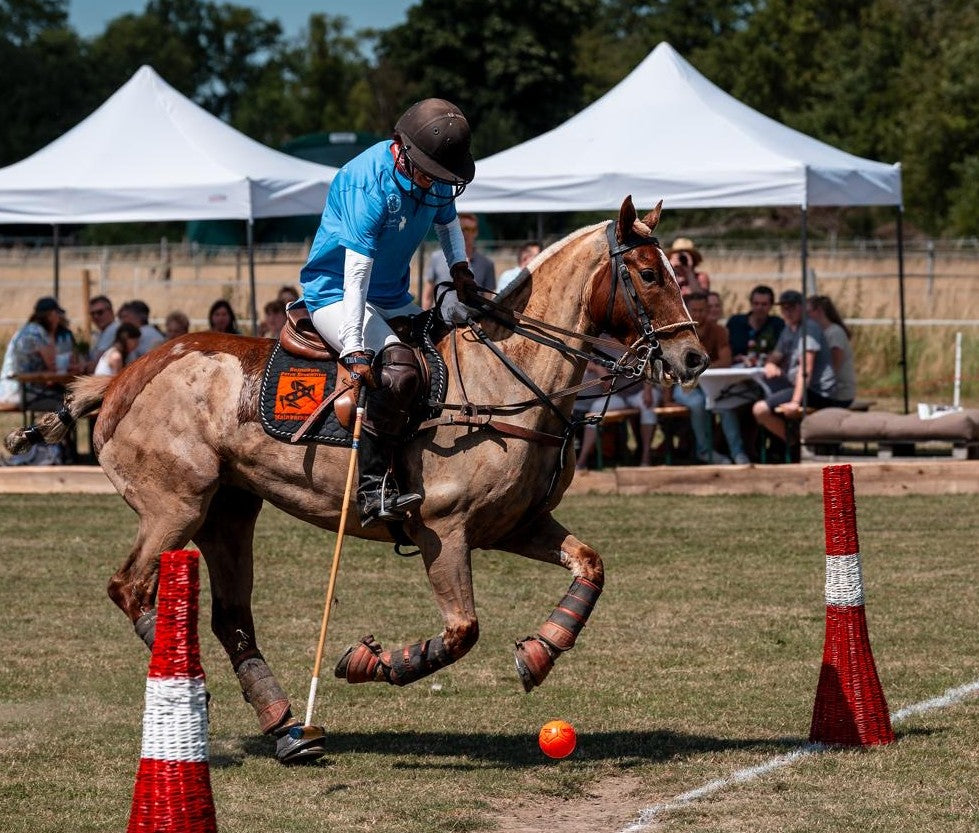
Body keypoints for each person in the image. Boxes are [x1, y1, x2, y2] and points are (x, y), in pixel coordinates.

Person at [299, 97, 477, 527]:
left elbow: (447, 224)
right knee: (398, 370)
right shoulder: (368, 182)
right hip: (334, 294)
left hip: (392, 294)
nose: (439, 184)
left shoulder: (430, 171)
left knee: (452, 346)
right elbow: (355, 272)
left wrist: (459, 271)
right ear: (405, 151)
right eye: (434, 175)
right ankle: (373, 489)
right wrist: (356, 347)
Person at [752, 289, 843, 443]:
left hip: (817, 392)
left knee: (760, 410)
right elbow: (776, 354)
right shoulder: (788, 328)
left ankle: (795, 443)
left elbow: (806, 369)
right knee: (754, 393)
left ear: (802, 308)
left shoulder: (809, 329)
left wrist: (795, 402)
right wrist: (770, 364)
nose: (787, 312)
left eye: (792, 307)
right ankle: (778, 447)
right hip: (796, 386)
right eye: (784, 308)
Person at [666, 291, 746, 464]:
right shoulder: (676, 332)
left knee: (725, 404)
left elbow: (726, 360)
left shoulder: (719, 331)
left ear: (708, 310)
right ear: (686, 309)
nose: (698, 314)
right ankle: (704, 450)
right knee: (697, 403)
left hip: (712, 384)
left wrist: (700, 370)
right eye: (694, 310)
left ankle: (737, 452)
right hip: (685, 385)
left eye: (702, 310)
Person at [574, 360, 658, 469]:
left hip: (640, 393)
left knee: (647, 406)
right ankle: (581, 461)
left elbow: (649, 364)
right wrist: (599, 368)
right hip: (618, 394)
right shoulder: (601, 345)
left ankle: (646, 457)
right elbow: (586, 360)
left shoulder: (636, 343)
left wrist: (648, 390)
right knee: (596, 408)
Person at [421, 212, 495, 309]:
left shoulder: (486, 263)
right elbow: (427, 296)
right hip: (441, 320)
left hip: (473, 321)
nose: (466, 233)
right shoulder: (437, 257)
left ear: (476, 232)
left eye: (471, 230)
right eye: (462, 229)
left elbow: (487, 302)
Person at [808, 295, 856, 406]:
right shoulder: (821, 332)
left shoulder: (834, 333)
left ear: (818, 311)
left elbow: (834, 367)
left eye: (808, 312)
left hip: (838, 394)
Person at [726, 285, 785, 366]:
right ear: (751, 303)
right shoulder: (735, 322)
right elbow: (724, 349)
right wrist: (734, 358)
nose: (759, 307)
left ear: (771, 305)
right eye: (756, 303)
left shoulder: (778, 324)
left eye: (764, 304)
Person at [86, 295, 119, 372]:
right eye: (92, 314)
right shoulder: (102, 332)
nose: (96, 316)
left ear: (111, 312)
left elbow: (95, 365)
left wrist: (83, 366)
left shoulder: (113, 329)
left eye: (100, 312)